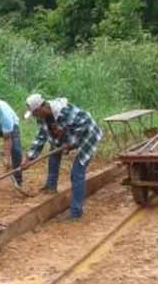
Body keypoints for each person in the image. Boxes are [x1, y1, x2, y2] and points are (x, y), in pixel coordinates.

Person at [22, 93, 104, 221]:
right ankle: (51, 186)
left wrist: (69, 144)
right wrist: (29, 158)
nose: (35, 116)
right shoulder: (43, 116)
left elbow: (85, 122)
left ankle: (76, 212)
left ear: (41, 107)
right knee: (54, 151)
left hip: (88, 134)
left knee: (77, 172)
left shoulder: (65, 112)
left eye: (35, 113)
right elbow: (41, 137)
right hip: (68, 134)